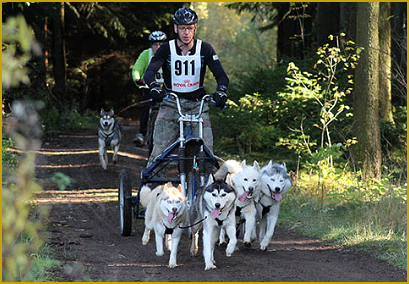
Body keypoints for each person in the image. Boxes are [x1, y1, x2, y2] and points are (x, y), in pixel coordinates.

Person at [143, 7, 229, 166]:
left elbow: (222, 76)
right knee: (158, 153)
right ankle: (150, 187)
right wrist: (154, 87)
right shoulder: (166, 48)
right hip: (171, 103)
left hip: (198, 105)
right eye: (182, 28)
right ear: (176, 28)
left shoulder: (205, 49)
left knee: (208, 154)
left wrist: (221, 92)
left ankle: (208, 186)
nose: (186, 33)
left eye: (189, 28)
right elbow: (149, 72)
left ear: (195, 28)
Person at [131, 30, 167, 146]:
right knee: (147, 107)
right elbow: (137, 69)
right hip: (148, 87)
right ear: (151, 45)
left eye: (161, 44)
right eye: (155, 44)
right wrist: (137, 79)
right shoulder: (146, 54)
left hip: (164, 88)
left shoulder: (170, 54)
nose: (158, 46)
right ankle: (141, 133)